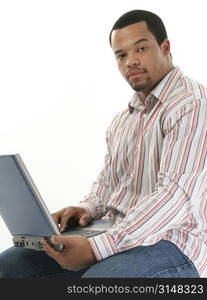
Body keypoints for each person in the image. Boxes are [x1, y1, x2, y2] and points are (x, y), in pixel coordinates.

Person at [0, 9, 206, 278]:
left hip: (174, 242)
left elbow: (175, 196)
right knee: (12, 266)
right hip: (118, 233)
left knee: (98, 282)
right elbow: (109, 184)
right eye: (121, 55)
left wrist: (97, 248)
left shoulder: (192, 105)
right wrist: (87, 208)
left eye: (141, 48)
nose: (131, 61)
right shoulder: (123, 120)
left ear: (165, 47)